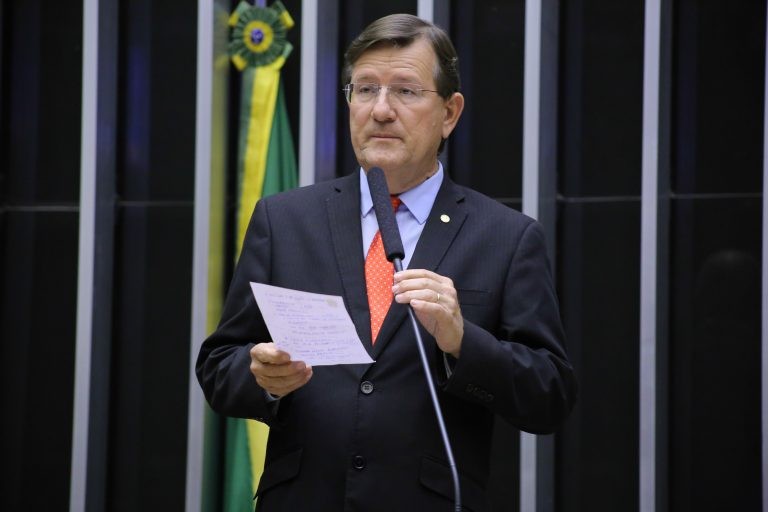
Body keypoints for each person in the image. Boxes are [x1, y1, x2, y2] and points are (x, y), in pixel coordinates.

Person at [197, 13, 577, 511]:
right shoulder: (284, 220)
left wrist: (463, 341)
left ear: (449, 112)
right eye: (365, 89)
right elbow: (219, 365)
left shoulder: (505, 237)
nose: (380, 110)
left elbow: (549, 395)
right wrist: (259, 377)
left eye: (405, 91)